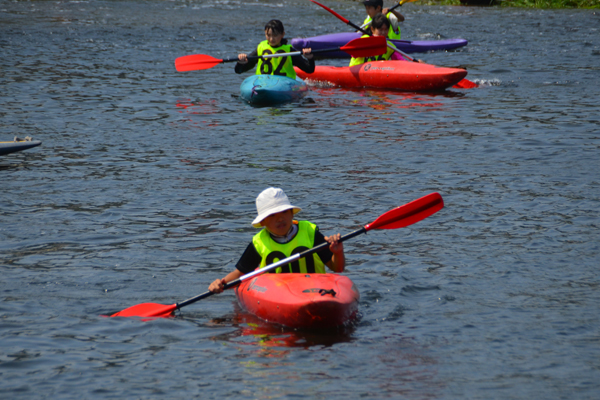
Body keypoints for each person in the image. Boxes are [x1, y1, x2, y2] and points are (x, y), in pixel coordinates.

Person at [209, 187, 345, 293]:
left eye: (284, 212)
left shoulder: (310, 232)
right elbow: (240, 274)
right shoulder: (259, 242)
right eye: (272, 215)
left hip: (315, 290)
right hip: (280, 294)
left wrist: (337, 253)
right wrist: (221, 284)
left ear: (292, 213)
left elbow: (337, 268)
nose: (280, 218)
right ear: (262, 222)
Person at [235, 19, 314, 79]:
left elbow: (309, 70)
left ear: (282, 34)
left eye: (275, 35)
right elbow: (239, 71)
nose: (272, 39)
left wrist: (310, 58)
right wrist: (240, 62)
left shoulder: (289, 51)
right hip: (263, 83)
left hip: (284, 85)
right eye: (268, 35)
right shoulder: (260, 48)